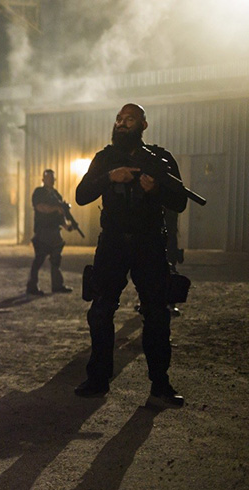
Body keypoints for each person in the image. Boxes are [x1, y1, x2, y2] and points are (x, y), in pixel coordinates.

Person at [74, 103, 187, 407]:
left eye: (129, 119)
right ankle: (98, 379)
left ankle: (160, 384)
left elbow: (180, 201)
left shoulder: (160, 158)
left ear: (143, 125)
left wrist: (155, 190)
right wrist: (110, 177)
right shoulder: (105, 159)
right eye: (119, 119)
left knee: (157, 313)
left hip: (149, 243)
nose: (122, 124)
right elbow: (81, 195)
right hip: (112, 243)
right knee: (100, 310)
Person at [27, 168, 73, 295]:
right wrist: (56, 208)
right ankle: (32, 286)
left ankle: (57, 285)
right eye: (48, 178)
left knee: (56, 260)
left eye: (52, 178)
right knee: (39, 259)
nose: (51, 180)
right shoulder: (39, 192)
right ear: (43, 179)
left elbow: (60, 216)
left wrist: (66, 226)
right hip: (43, 231)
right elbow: (40, 207)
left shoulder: (56, 195)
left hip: (54, 232)